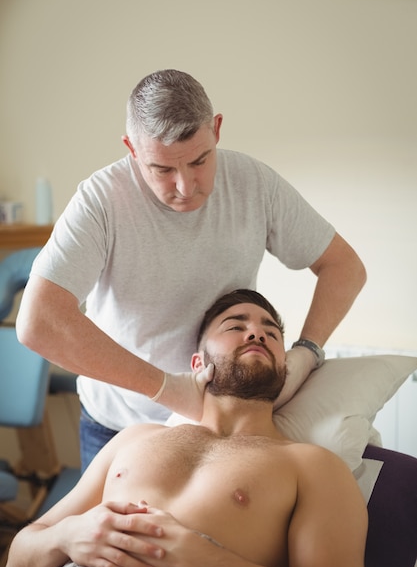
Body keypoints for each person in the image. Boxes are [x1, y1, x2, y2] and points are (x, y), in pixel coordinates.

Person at [16, 69, 367, 470]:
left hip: (218, 429)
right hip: (118, 427)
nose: (185, 186)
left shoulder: (253, 184)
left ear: (216, 130)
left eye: (199, 161)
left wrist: (307, 350)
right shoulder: (101, 202)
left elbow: (344, 266)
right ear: (132, 147)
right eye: (162, 169)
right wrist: (165, 388)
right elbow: (38, 322)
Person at [6, 289, 367, 567]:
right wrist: (68, 536)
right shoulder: (135, 438)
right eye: (236, 326)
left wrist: (195, 557)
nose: (257, 333)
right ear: (198, 363)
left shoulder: (312, 466)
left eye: (270, 332)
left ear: (285, 368)